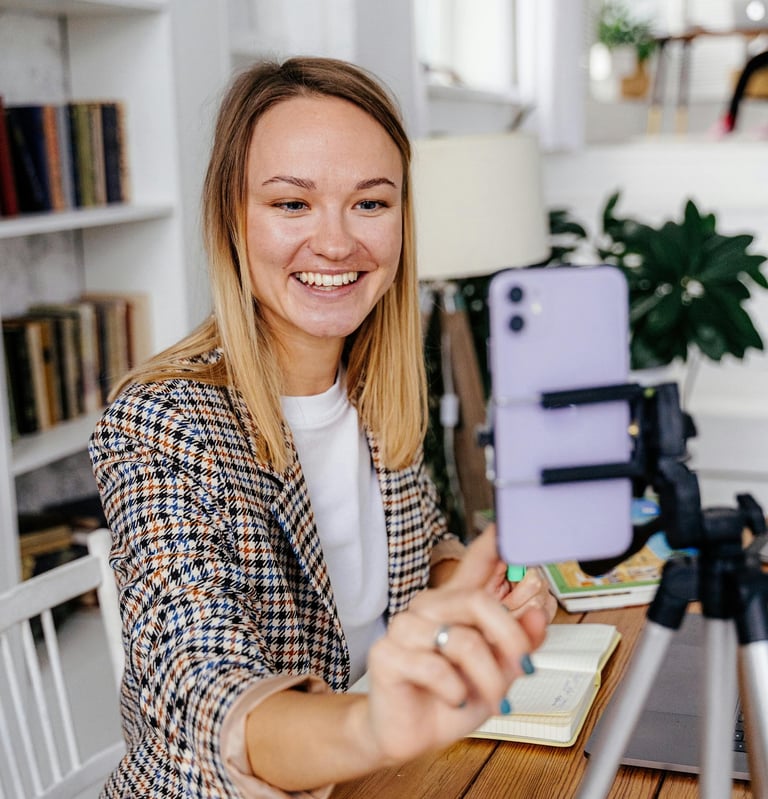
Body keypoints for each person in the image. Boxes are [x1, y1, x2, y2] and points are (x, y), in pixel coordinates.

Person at [89, 56, 557, 798]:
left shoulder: (380, 388)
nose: (337, 244)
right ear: (231, 220)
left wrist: (468, 588)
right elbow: (206, 689)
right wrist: (375, 724)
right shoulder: (160, 423)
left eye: (370, 204)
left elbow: (413, 547)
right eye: (292, 204)